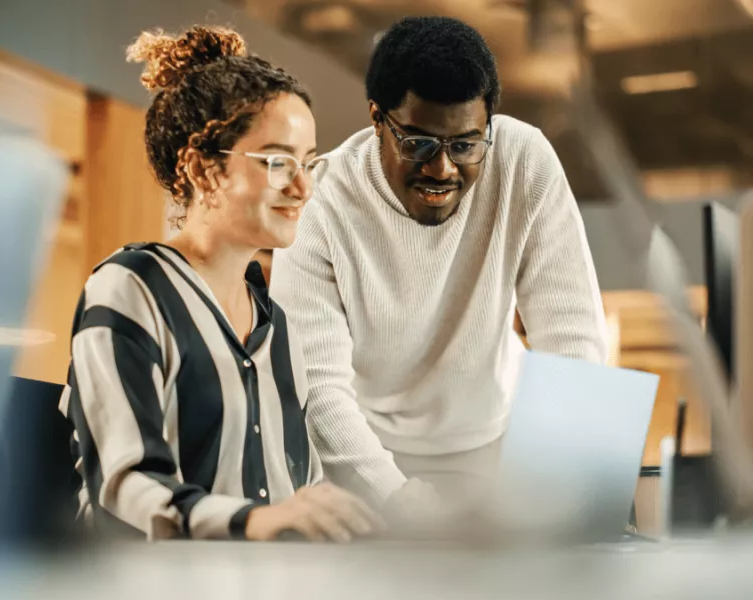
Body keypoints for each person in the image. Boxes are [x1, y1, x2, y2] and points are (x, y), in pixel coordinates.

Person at [58, 25, 383, 542]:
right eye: (278, 162)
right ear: (203, 170)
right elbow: (123, 486)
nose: (302, 187)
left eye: (309, 163)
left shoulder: (280, 330)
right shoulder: (131, 288)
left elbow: (301, 492)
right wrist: (253, 522)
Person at [270, 16, 609, 507]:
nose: (442, 169)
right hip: (366, 456)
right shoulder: (321, 204)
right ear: (376, 118)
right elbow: (317, 387)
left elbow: (572, 337)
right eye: (418, 143)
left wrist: (555, 488)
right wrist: (399, 501)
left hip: (496, 443)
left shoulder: (523, 161)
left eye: (465, 145)